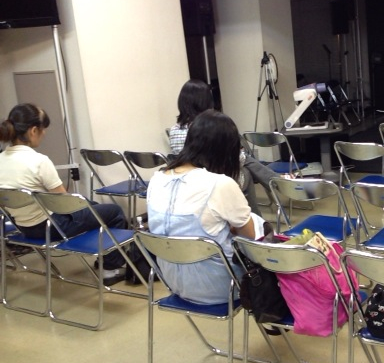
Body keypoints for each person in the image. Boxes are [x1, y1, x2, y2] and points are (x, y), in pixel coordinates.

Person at [0, 103, 128, 285]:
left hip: (23, 228)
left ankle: (104, 258)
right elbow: (66, 204)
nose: (44, 133)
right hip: (52, 227)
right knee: (114, 212)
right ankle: (109, 270)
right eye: (43, 129)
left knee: (92, 206)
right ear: (33, 131)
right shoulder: (38, 161)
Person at [147, 109, 256, 305]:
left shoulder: (156, 179)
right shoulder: (220, 183)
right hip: (223, 287)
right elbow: (250, 238)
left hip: (173, 283)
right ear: (226, 150)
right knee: (257, 226)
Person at [168, 79, 279, 215]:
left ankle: (276, 182)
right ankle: (259, 213)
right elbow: (231, 161)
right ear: (205, 101)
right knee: (245, 169)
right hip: (212, 180)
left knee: (244, 161)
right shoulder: (209, 127)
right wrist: (241, 154)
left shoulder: (173, 130)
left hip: (186, 182)